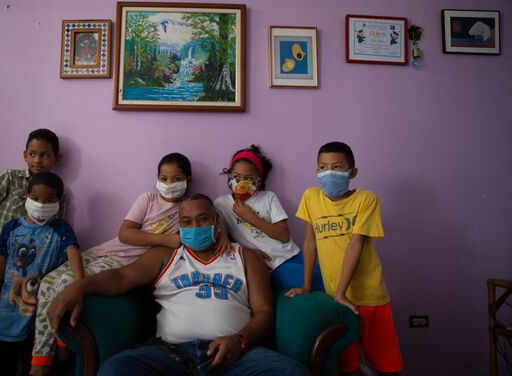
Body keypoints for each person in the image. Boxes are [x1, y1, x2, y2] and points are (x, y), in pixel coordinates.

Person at [47, 194, 311, 376]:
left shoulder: (246, 257)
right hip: (170, 355)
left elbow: (264, 312)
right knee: (115, 370)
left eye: (203, 219)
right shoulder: (165, 255)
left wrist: (239, 341)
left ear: (216, 222)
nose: (194, 226)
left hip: (235, 355)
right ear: (179, 226)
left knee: (292, 372)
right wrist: (77, 287)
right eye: (186, 222)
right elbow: (121, 277)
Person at [30, 153, 230, 374]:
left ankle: (42, 364)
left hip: (125, 262)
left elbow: (211, 224)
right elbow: (125, 234)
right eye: (164, 178)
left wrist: (222, 235)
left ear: (188, 180)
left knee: (66, 283)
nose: (169, 184)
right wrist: (165, 240)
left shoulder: (188, 209)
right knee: (49, 281)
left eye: (176, 179)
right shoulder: (148, 199)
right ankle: (46, 349)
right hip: (104, 252)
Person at [286, 142, 404, 375]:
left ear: (353, 172)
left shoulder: (366, 199)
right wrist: (307, 285)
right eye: (322, 167)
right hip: (336, 299)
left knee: (386, 365)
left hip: (369, 297)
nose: (328, 172)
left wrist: (342, 292)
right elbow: (310, 242)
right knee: (348, 366)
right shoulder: (311, 197)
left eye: (337, 167)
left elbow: (355, 244)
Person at [0, 129, 64, 376]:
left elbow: (55, 230)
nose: (38, 160)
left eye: (45, 155)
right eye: (32, 153)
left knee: (20, 335)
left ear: (56, 158)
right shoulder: (9, 177)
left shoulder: (58, 190)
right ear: (24, 155)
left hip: (26, 276)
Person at [0, 172, 83, 376]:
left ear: (59, 200)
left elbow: (73, 255)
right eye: (36, 199)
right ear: (27, 197)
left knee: (39, 367)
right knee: (1, 368)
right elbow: (1, 264)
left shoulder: (61, 229)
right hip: (8, 314)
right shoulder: (11, 228)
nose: (41, 205)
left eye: (49, 200)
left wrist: (80, 286)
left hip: (39, 321)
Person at [214, 145, 323, 291]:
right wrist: (248, 253)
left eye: (248, 178)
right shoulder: (222, 204)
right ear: (229, 177)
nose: (241, 182)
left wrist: (251, 217)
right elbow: (223, 238)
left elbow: (284, 236)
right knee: (319, 284)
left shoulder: (268, 197)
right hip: (273, 265)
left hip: (293, 253)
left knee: (328, 278)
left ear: (257, 181)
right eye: (236, 177)